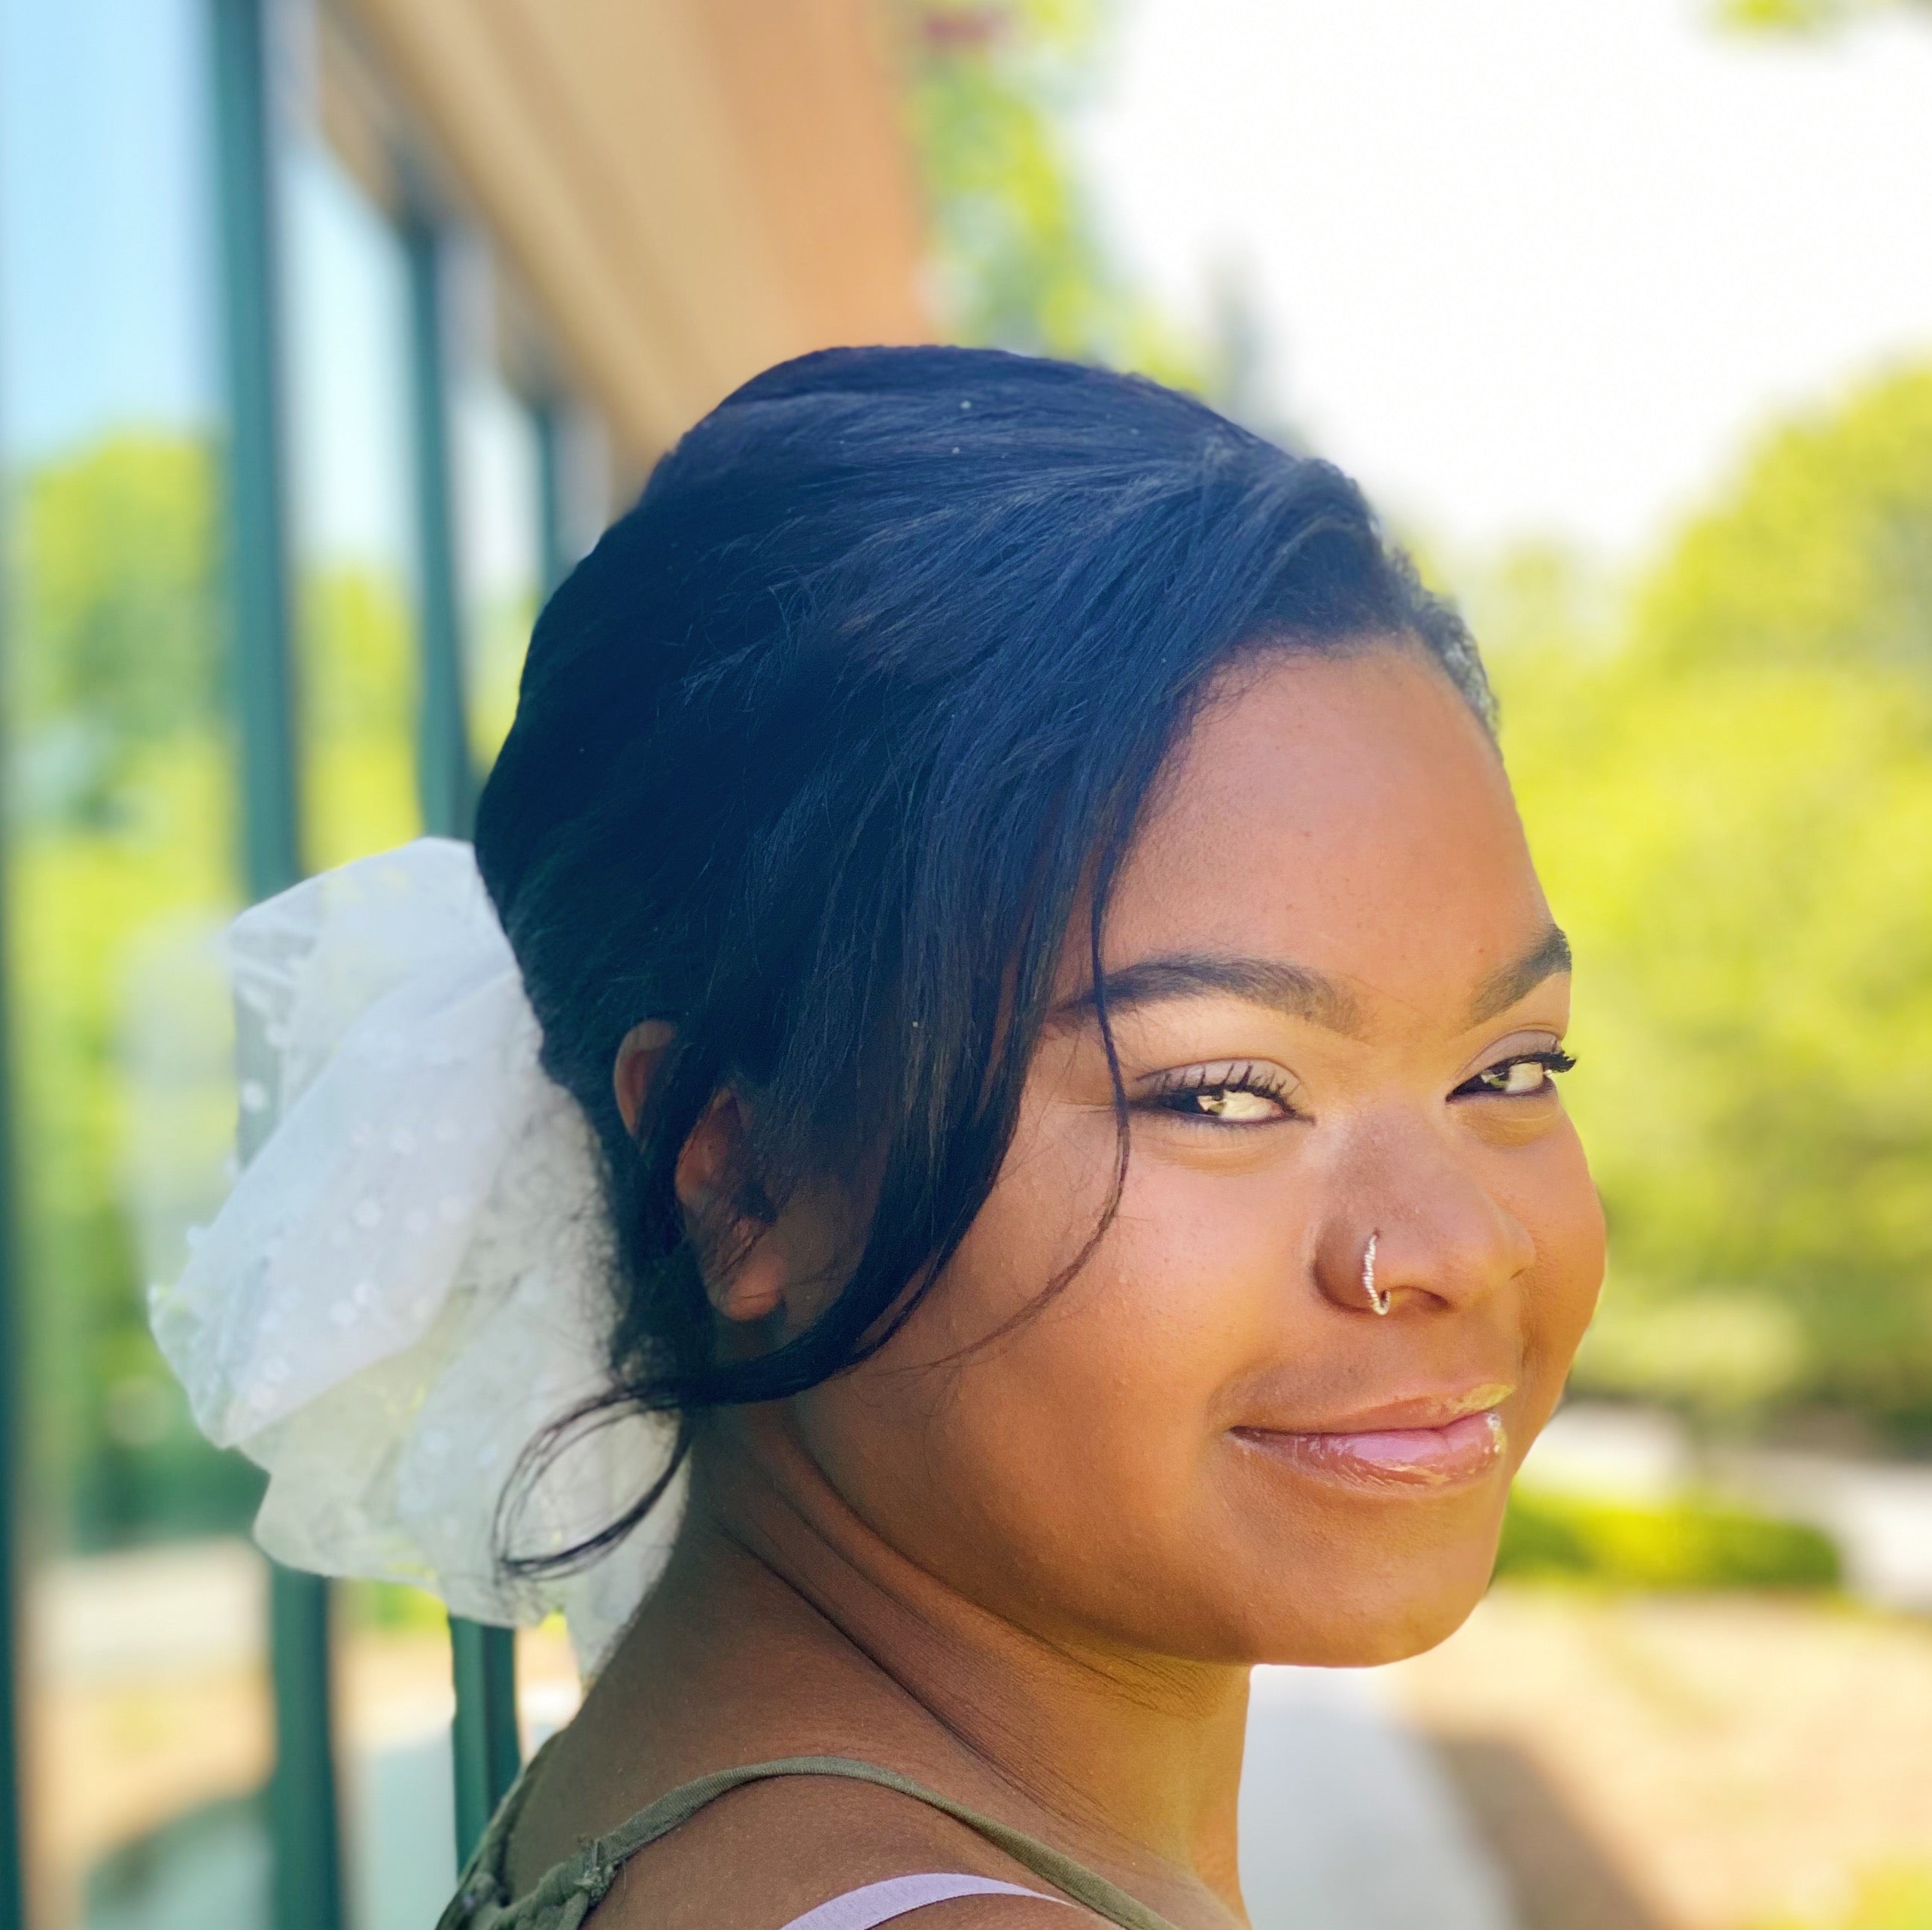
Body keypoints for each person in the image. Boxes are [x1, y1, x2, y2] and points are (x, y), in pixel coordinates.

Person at [160, 346, 1604, 1930]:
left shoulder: (674, 1799)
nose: (1456, 1246)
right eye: (1223, 1092)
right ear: (744, 1176)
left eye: (1510, 1069)